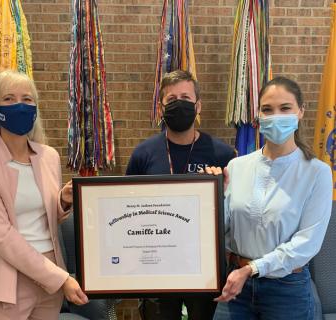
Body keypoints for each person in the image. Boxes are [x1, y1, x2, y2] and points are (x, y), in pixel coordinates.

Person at [0, 70, 88, 320]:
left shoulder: (48, 156)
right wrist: (60, 278)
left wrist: (62, 201)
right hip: (5, 282)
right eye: (9, 98)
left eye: (27, 99)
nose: (20, 105)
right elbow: (1, 236)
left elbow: (45, 220)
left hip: (49, 277)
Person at [213, 77, 333, 320]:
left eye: (285, 108)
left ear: (300, 111)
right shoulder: (236, 167)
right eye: (267, 109)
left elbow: (307, 244)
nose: (275, 116)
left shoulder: (316, 172)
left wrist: (253, 269)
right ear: (258, 116)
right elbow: (224, 230)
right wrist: (211, 195)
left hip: (287, 289)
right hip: (237, 286)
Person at [126, 70, 235, 320]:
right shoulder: (143, 154)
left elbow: (233, 212)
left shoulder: (222, 154)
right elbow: (129, 210)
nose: (179, 103)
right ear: (161, 107)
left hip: (205, 269)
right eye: (171, 99)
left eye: (185, 97)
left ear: (198, 106)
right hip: (156, 269)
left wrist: (224, 188)